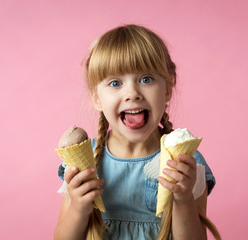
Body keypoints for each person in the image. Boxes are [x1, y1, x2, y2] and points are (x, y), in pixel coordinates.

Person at [54, 24, 220, 240]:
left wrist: (183, 198)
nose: (132, 93)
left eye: (146, 79)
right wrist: (78, 208)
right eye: (115, 83)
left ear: (168, 88)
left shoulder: (186, 162)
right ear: (96, 97)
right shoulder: (85, 164)